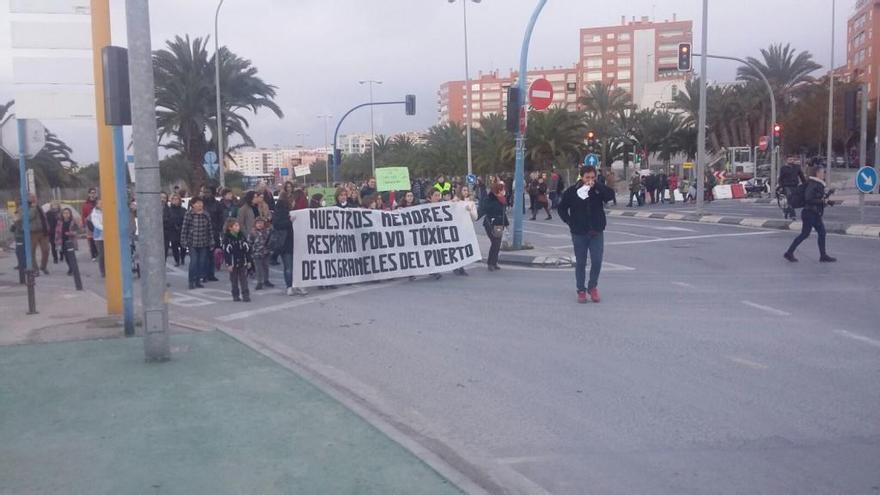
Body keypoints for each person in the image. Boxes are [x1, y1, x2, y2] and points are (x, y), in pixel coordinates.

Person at [557, 166, 616, 304]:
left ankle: (592, 286)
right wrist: (570, 221)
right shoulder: (572, 191)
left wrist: (598, 186)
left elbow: (610, 196)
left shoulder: (597, 190)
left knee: (596, 261)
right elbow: (562, 208)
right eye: (587, 177)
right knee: (581, 262)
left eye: (592, 177)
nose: (590, 180)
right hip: (579, 233)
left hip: (596, 231)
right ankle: (581, 290)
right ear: (581, 177)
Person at [784, 166, 837, 263]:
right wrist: (822, 201)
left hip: (814, 213)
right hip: (810, 213)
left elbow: (819, 198)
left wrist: (828, 199)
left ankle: (823, 256)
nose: (824, 174)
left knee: (821, 233)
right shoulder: (813, 184)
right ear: (817, 173)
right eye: (822, 172)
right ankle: (789, 253)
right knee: (805, 234)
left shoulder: (818, 184)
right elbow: (809, 198)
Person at [180, 197, 215, 289]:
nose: (200, 205)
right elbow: (184, 229)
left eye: (201, 203)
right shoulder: (189, 214)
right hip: (192, 242)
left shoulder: (206, 214)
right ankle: (191, 281)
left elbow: (210, 229)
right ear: (192, 205)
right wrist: (183, 241)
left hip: (204, 242)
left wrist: (211, 241)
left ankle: (198, 280)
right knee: (194, 262)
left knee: (201, 262)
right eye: (197, 203)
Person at [478, 181, 508, 272]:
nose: (504, 191)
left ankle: (494, 263)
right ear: (498, 190)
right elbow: (484, 209)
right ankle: (490, 263)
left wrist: (505, 224)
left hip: (499, 224)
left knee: (497, 244)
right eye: (502, 189)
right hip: (490, 223)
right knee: (495, 243)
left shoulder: (501, 198)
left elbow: (502, 213)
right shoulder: (490, 199)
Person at [221, 218, 253, 302]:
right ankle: (235, 295)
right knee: (234, 281)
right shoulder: (227, 239)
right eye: (236, 226)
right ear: (230, 228)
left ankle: (245, 295)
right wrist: (228, 264)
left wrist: (249, 261)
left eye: (238, 225)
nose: (238, 227)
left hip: (242, 262)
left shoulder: (242, 237)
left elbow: (247, 249)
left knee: (244, 280)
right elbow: (226, 252)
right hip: (233, 263)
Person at [200, 185, 223, 282]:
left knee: (212, 254)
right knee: (203, 255)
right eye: (205, 192)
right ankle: (203, 274)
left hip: (214, 232)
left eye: (208, 192)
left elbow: (221, 218)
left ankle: (211, 274)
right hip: (202, 232)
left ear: (212, 193)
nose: (206, 194)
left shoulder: (217, 204)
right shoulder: (200, 204)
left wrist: (218, 229)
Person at [249, 216, 274, 290]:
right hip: (257, 253)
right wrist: (251, 252)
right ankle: (259, 282)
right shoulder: (253, 233)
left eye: (261, 223)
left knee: (266, 267)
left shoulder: (267, 231)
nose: (259, 224)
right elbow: (250, 242)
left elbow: (271, 239)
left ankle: (266, 280)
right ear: (255, 224)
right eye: (258, 223)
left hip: (266, 252)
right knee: (258, 268)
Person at [55, 207, 80, 277]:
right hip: (62, 241)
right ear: (62, 214)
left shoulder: (73, 221)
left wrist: (70, 233)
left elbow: (77, 231)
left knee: (71, 256)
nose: (66, 214)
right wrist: (56, 240)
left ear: (70, 214)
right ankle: (70, 268)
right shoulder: (59, 222)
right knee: (66, 256)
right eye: (64, 213)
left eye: (67, 213)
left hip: (70, 241)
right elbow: (57, 232)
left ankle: (73, 269)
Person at [164, 193, 186, 266]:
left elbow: (185, 220)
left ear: (179, 200)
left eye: (176, 199)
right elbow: (167, 219)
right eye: (173, 199)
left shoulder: (183, 210)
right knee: (174, 247)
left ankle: (182, 258)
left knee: (183, 246)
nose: (174, 201)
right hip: (173, 231)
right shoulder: (169, 210)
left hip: (182, 231)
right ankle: (177, 260)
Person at [89, 198, 105, 278]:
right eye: (100, 203)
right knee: (102, 254)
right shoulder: (94, 214)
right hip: (99, 237)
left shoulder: (107, 210)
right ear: (96, 205)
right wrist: (106, 228)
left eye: (103, 203)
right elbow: (97, 224)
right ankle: (103, 271)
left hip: (109, 236)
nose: (102, 205)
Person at [81, 187, 99, 261]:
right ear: (89, 194)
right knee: (91, 239)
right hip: (89, 223)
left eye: (94, 192)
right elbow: (83, 215)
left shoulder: (99, 202)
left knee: (98, 239)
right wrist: (83, 224)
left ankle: (99, 253)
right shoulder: (85, 204)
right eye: (91, 193)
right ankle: (93, 255)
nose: (93, 194)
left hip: (98, 223)